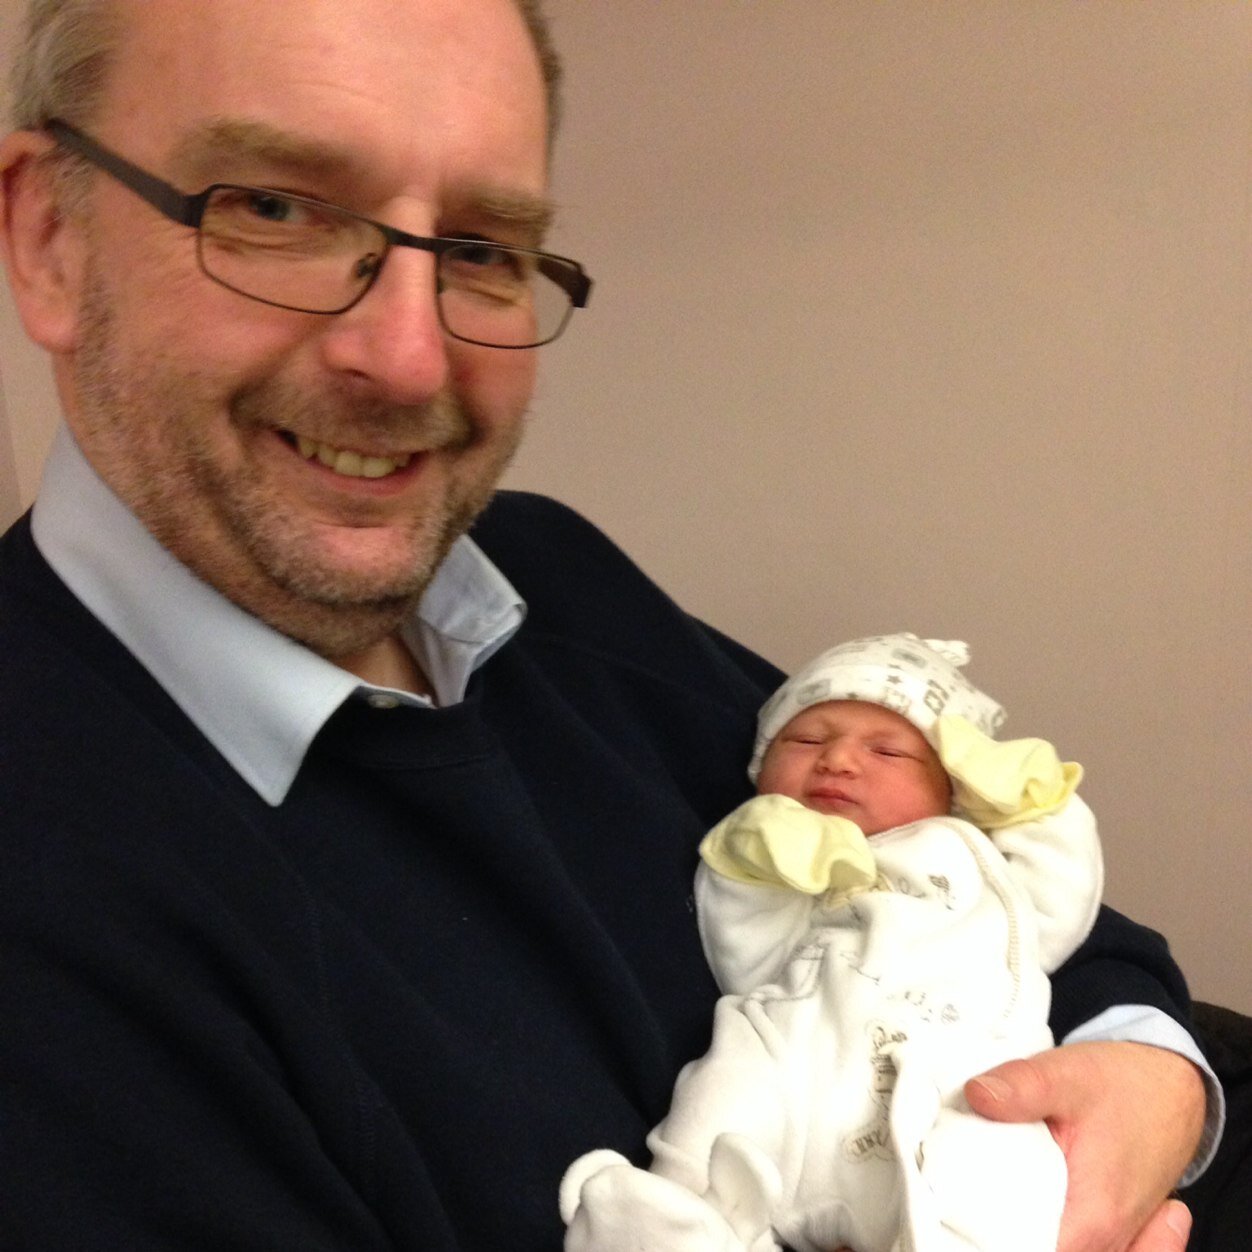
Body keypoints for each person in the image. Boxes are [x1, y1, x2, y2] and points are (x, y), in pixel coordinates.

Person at [0, 1, 1215, 1248]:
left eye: (479, 245)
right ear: (50, 237)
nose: (411, 359)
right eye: (273, 210)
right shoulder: (52, 925)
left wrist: (1157, 1081)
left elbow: (1035, 905)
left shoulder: (548, 575)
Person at [561, 634, 1102, 1251]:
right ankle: (682, 1217)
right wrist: (755, 864)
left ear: (952, 786)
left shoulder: (966, 857)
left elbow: (1055, 913)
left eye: (889, 750)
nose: (838, 760)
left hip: (949, 1073)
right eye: (806, 740)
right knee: (724, 1084)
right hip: (794, 1058)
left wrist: (1038, 806)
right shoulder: (779, 851)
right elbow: (748, 960)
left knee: (1000, 1172)